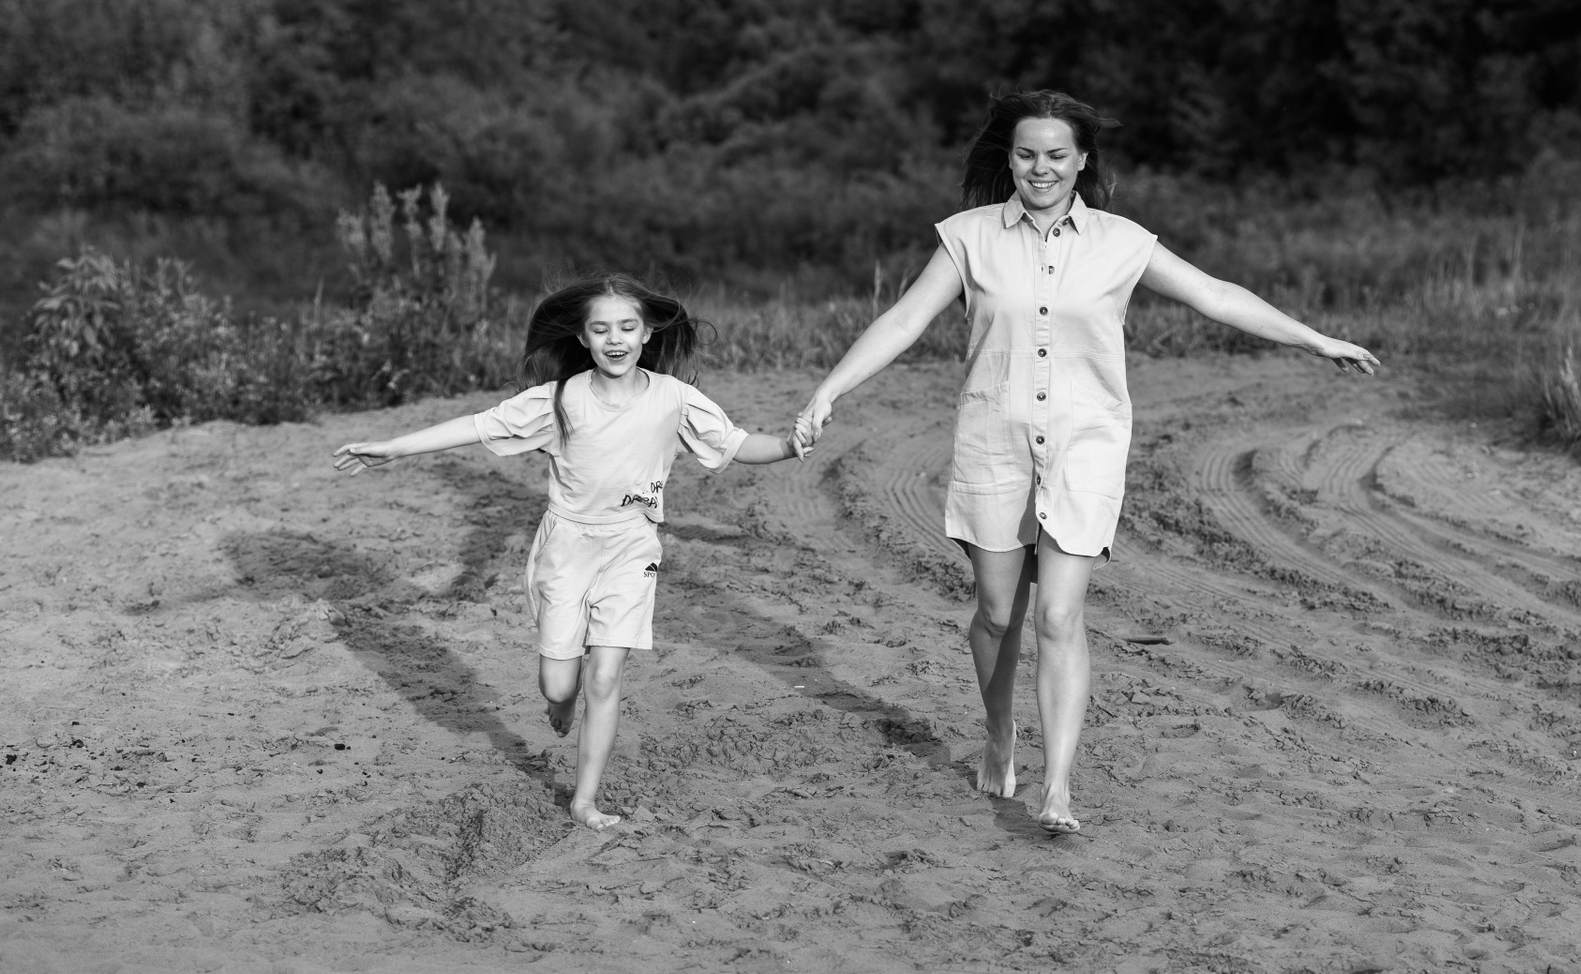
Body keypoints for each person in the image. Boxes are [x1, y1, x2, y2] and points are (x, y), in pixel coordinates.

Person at [795, 90, 1378, 834]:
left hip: (1086, 447)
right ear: (1010, 158)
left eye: (1056, 155)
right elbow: (904, 318)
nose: (1040, 168)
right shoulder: (968, 237)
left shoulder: (1122, 242)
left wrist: (1317, 340)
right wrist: (830, 389)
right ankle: (999, 731)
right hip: (994, 443)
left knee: (1060, 616)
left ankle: (1058, 788)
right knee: (998, 615)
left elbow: (1216, 296)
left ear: (1082, 161)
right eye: (1026, 154)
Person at [332, 273, 807, 829]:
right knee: (559, 684)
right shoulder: (559, 400)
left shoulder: (675, 399)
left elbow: (736, 443)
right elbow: (479, 426)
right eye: (601, 329)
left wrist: (789, 444)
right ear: (582, 338)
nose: (615, 339)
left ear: (648, 332)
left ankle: (585, 800)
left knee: (604, 678)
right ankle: (560, 701)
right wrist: (394, 448)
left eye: (627, 327)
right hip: (566, 546)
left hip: (632, 544)